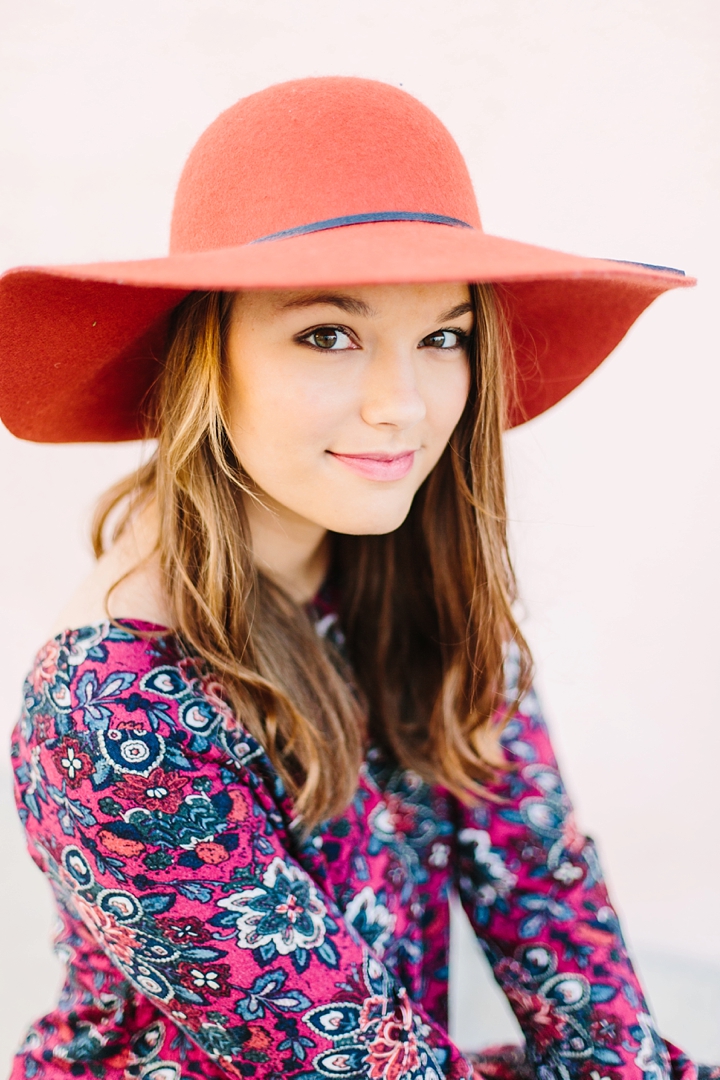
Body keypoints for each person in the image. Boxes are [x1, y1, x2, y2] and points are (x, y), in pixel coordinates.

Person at [1, 76, 715, 1080]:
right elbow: (350, 1062)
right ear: (206, 352)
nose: (405, 405)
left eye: (444, 337)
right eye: (328, 334)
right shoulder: (116, 707)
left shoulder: (421, 582)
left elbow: (549, 909)